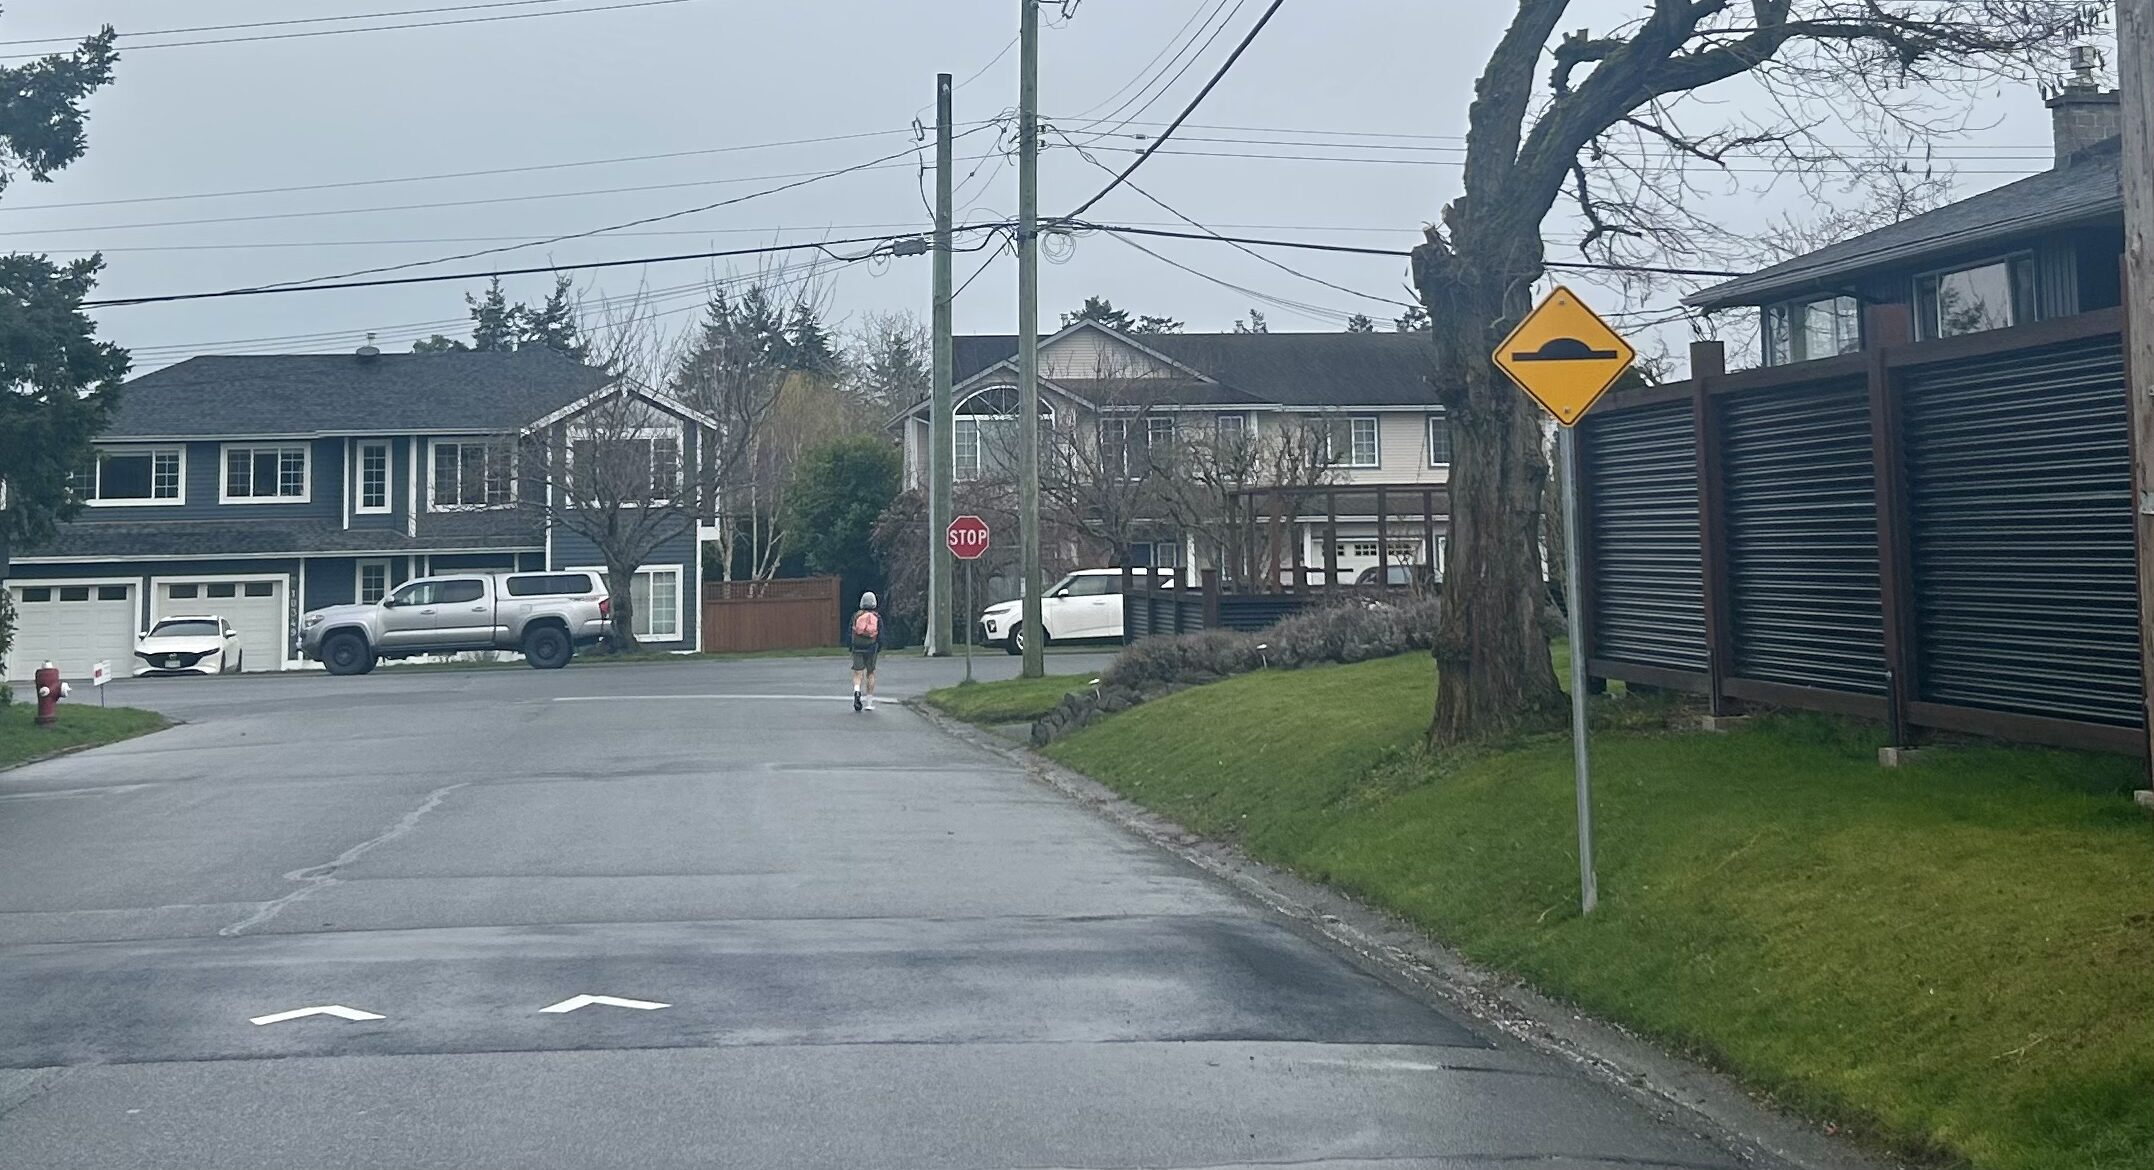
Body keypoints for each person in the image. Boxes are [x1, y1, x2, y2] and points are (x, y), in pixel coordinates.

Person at [849, 591, 882, 711]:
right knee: (870, 673)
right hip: (871, 648)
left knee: (858, 673)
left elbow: (850, 632)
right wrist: (879, 646)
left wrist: (851, 646)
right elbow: (881, 634)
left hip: (857, 647)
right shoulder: (877, 617)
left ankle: (857, 691)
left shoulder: (856, 616)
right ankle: (869, 702)